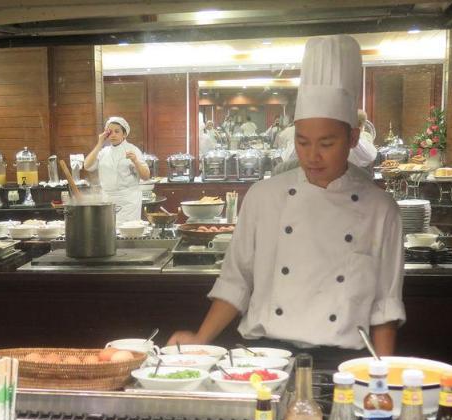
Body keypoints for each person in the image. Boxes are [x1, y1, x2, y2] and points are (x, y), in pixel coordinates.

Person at [168, 35, 405, 369]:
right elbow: (236, 281)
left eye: (327, 143)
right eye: (303, 142)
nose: (313, 156)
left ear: (352, 138)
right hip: (264, 356)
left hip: (344, 362)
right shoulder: (264, 197)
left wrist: (385, 375)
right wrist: (200, 340)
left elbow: (385, 305)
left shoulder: (381, 209)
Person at [84, 116, 150, 223]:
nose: (113, 135)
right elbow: (87, 165)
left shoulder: (133, 150)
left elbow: (146, 176)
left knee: (127, 234)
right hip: (108, 200)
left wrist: (136, 161)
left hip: (128, 201)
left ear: (124, 134)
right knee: (109, 232)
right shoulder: (104, 152)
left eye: (117, 131)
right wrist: (100, 143)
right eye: (110, 132)